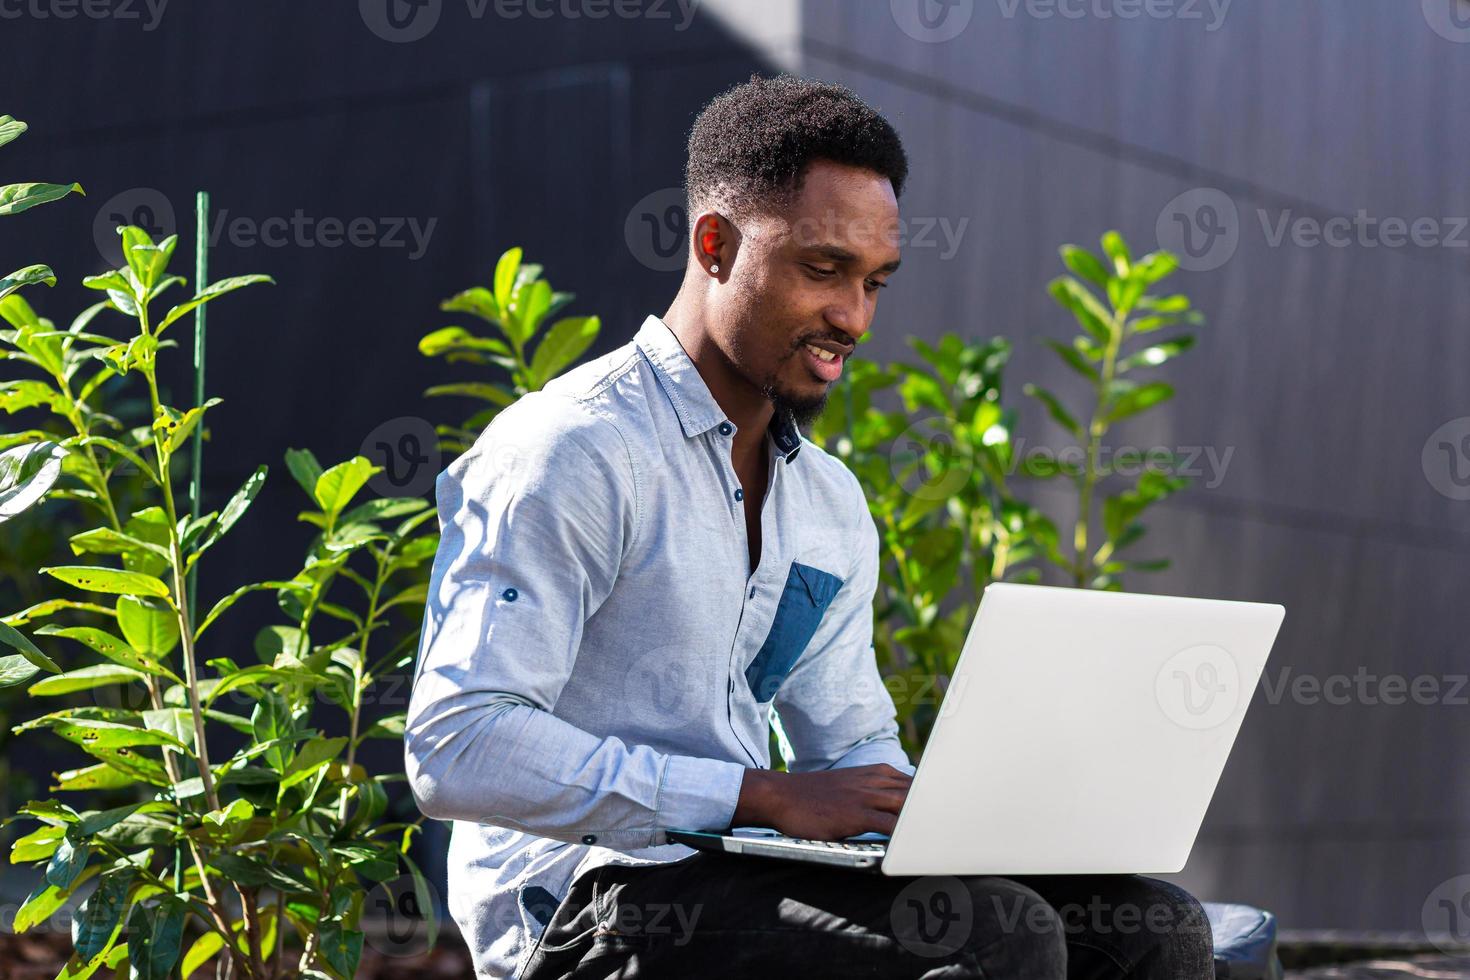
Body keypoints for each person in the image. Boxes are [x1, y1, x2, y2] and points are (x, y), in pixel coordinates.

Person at [404, 72, 1214, 979]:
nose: (853, 317)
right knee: (998, 934)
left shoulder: (825, 502)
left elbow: (851, 742)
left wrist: (946, 813)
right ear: (715, 244)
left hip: (738, 871)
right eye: (823, 271)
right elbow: (457, 745)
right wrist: (757, 795)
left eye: (875, 282)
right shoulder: (571, 451)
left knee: (1150, 926)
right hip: (582, 903)